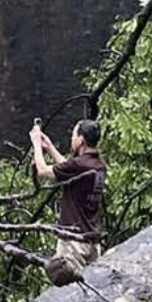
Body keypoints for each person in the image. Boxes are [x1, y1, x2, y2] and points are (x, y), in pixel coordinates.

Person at [30, 118, 106, 279]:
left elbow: (42, 171)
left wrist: (36, 144)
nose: (71, 139)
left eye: (73, 136)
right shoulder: (98, 165)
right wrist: (49, 147)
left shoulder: (80, 165)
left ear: (81, 140)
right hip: (92, 239)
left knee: (70, 290)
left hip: (73, 242)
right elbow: (69, 167)